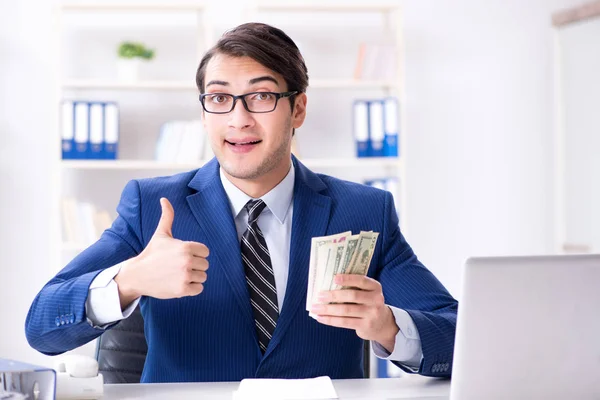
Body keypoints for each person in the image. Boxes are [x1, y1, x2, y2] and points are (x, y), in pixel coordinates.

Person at [25, 22, 458, 382]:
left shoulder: (363, 211)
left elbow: (462, 338)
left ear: (299, 109)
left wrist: (388, 326)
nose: (239, 119)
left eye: (262, 96)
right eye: (219, 98)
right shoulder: (153, 205)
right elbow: (42, 325)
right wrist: (127, 281)